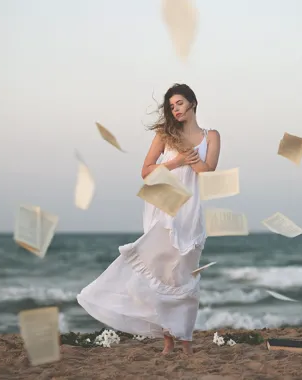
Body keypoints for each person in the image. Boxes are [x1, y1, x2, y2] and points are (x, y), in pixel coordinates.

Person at [76, 83, 221, 355]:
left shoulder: (211, 135)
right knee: (161, 273)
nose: (175, 109)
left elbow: (208, 170)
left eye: (178, 103)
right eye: (170, 106)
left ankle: (186, 341)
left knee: (185, 275)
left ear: (192, 103)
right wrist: (177, 162)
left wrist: (191, 160)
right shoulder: (165, 135)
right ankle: (168, 340)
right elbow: (146, 171)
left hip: (190, 212)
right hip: (163, 207)